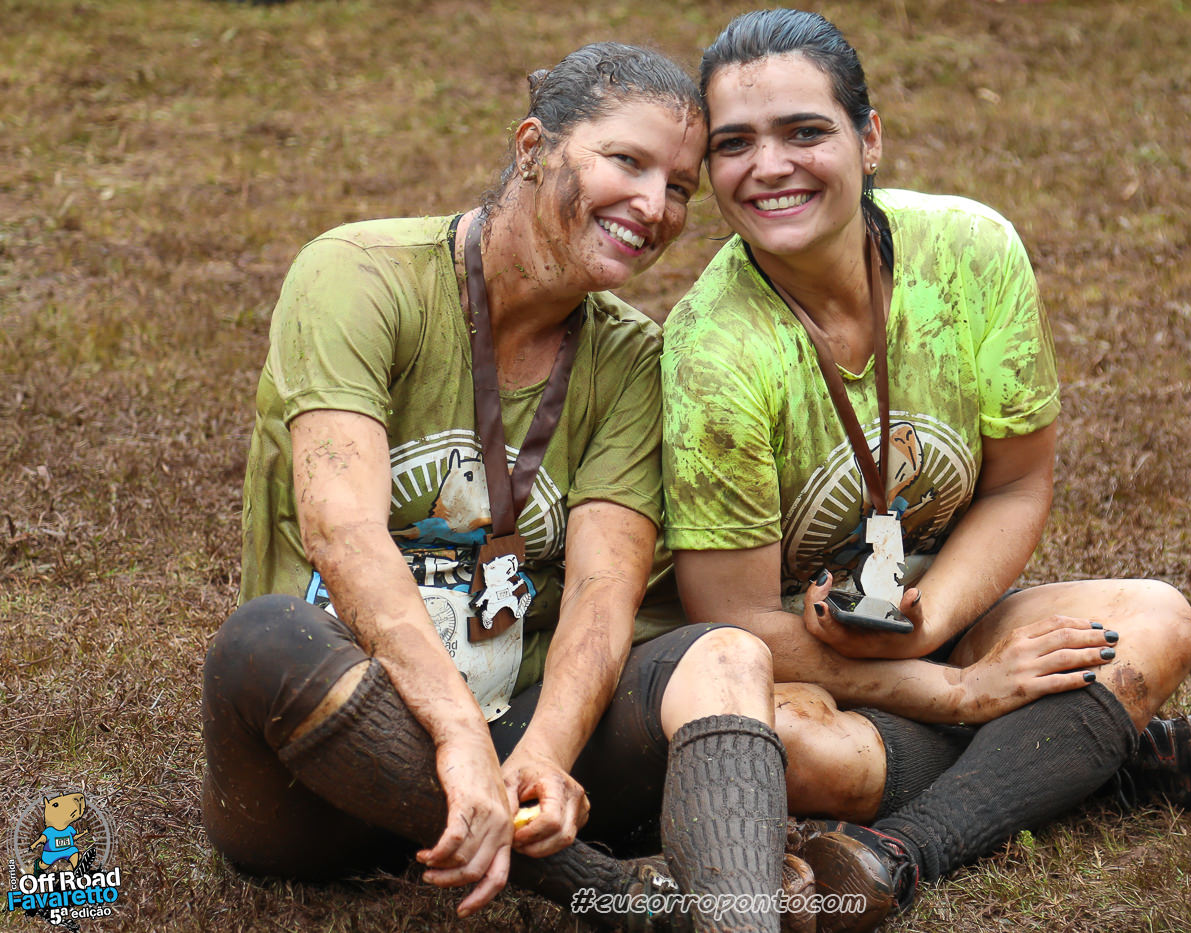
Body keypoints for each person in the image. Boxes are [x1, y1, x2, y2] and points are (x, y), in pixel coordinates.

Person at [202, 43, 812, 933]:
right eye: (627, 161)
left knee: (728, 654)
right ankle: (614, 896)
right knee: (265, 641)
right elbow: (342, 531)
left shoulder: (632, 358)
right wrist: (454, 734)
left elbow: (603, 586)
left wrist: (544, 753)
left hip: (518, 743)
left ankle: (739, 921)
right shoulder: (359, 275)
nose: (654, 206)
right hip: (331, 756)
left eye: (680, 187)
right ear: (533, 147)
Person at [662, 10, 1191, 931]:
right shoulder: (710, 347)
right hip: (803, 663)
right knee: (792, 749)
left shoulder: (972, 251)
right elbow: (729, 620)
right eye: (734, 144)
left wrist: (925, 620)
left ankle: (904, 847)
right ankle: (1080, 757)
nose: (768, 166)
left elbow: (1017, 484)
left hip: (948, 612)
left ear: (870, 138)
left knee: (1156, 619)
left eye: (805, 131)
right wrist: (949, 687)